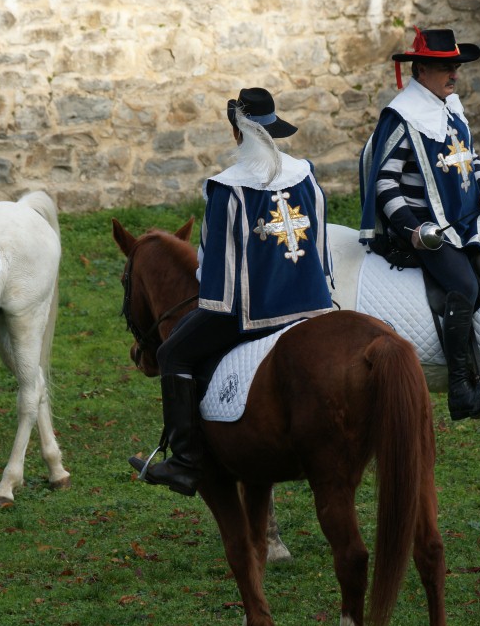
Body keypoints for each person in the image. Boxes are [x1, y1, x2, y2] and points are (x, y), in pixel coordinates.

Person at [129, 87, 334, 496]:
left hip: (253, 312)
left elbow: (214, 266)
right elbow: (321, 244)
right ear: (273, 129)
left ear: (235, 132)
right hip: (313, 303)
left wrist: (215, 304)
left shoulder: (227, 187)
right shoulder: (305, 173)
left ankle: (186, 462)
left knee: (172, 352)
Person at [359, 28, 480, 420]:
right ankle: (461, 390)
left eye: (456, 67)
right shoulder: (400, 115)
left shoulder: (451, 107)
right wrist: (412, 229)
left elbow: (469, 157)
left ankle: (476, 373)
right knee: (463, 284)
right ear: (422, 69)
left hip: (461, 220)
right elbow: (385, 182)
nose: (455, 75)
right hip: (422, 229)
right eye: (447, 68)